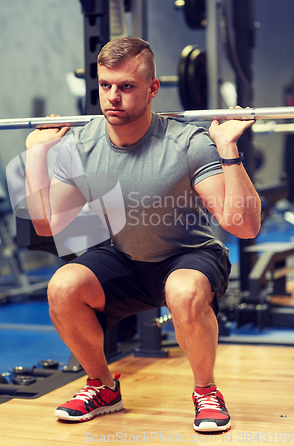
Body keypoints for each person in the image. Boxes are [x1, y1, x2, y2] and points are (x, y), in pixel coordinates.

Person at [25, 37, 261, 432]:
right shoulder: (81, 145)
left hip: (188, 255)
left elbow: (244, 226)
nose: (113, 97)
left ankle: (206, 390)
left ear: (152, 89)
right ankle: (102, 386)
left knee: (183, 291)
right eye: (105, 86)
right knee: (62, 287)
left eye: (127, 86)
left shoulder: (186, 143)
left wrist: (227, 147)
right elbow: (46, 226)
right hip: (122, 257)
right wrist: (37, 156)